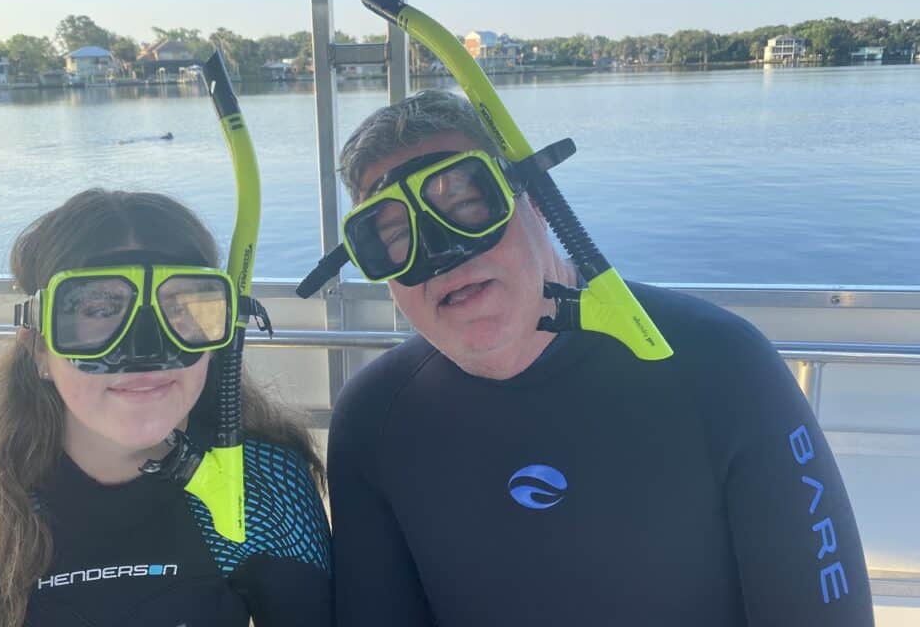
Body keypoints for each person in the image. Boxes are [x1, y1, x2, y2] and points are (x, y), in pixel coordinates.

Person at [323, 89, 874, 626]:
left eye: (468, 202)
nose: (441, 254)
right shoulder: (375, 420)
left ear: (536, 199)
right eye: (393, 236)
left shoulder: (721, 368)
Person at [0, 189, 332, 627]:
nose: (145, 347)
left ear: (219, 337)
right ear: (38, 347)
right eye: (100, 310)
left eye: (181, 309)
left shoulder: (263, 484)